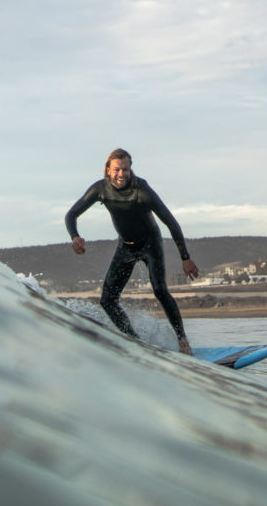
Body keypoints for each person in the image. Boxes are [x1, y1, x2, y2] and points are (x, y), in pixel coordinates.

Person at [65, 148, 200, 354]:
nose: (121, 174)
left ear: (130, 169)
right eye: (117, 169)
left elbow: (171, 222)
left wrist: (185, 258)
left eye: (125, 169)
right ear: (108, 170)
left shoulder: (142, 191)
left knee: (160, 290)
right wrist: (75, 236)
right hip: (125, 246)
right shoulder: (100, 189)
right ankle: (134, 341)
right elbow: (71, 214)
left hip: (150, 244)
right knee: (107, 300)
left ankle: (182, 340)